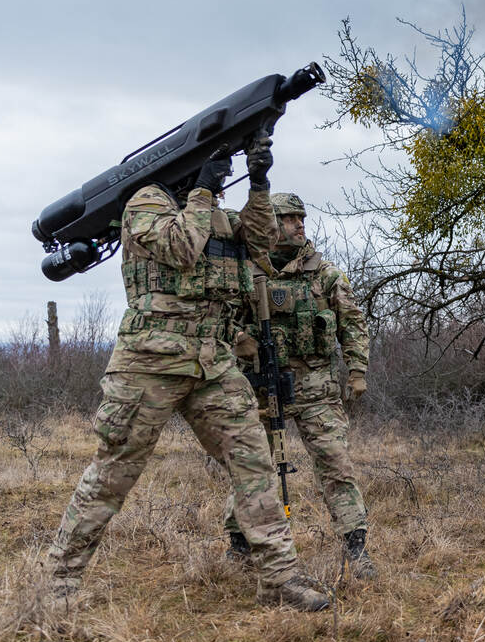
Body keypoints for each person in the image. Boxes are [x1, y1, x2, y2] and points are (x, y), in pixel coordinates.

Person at [44, 138, 330, 611]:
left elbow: (261, 242)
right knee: (114, 473)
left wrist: (259, 185)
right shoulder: (146, 202)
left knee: (255, 464)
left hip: (213, 361)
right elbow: (180, 248)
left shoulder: (214, 212)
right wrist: (202, 190)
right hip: (150, 360)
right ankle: (58, 584)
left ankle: (280, 579)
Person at [224, 191, 376, 579]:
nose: (299, 225)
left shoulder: (323, 273)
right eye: (290, 218)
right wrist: (240, 338)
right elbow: (220, 318)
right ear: (270, 225)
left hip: (316, 388)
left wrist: (357, 370)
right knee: (251, 469)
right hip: (261, 387)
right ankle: (239, 546)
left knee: (336, 464)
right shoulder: (245, 272)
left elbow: (352, 323)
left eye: (301, 219)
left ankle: (356, 548)